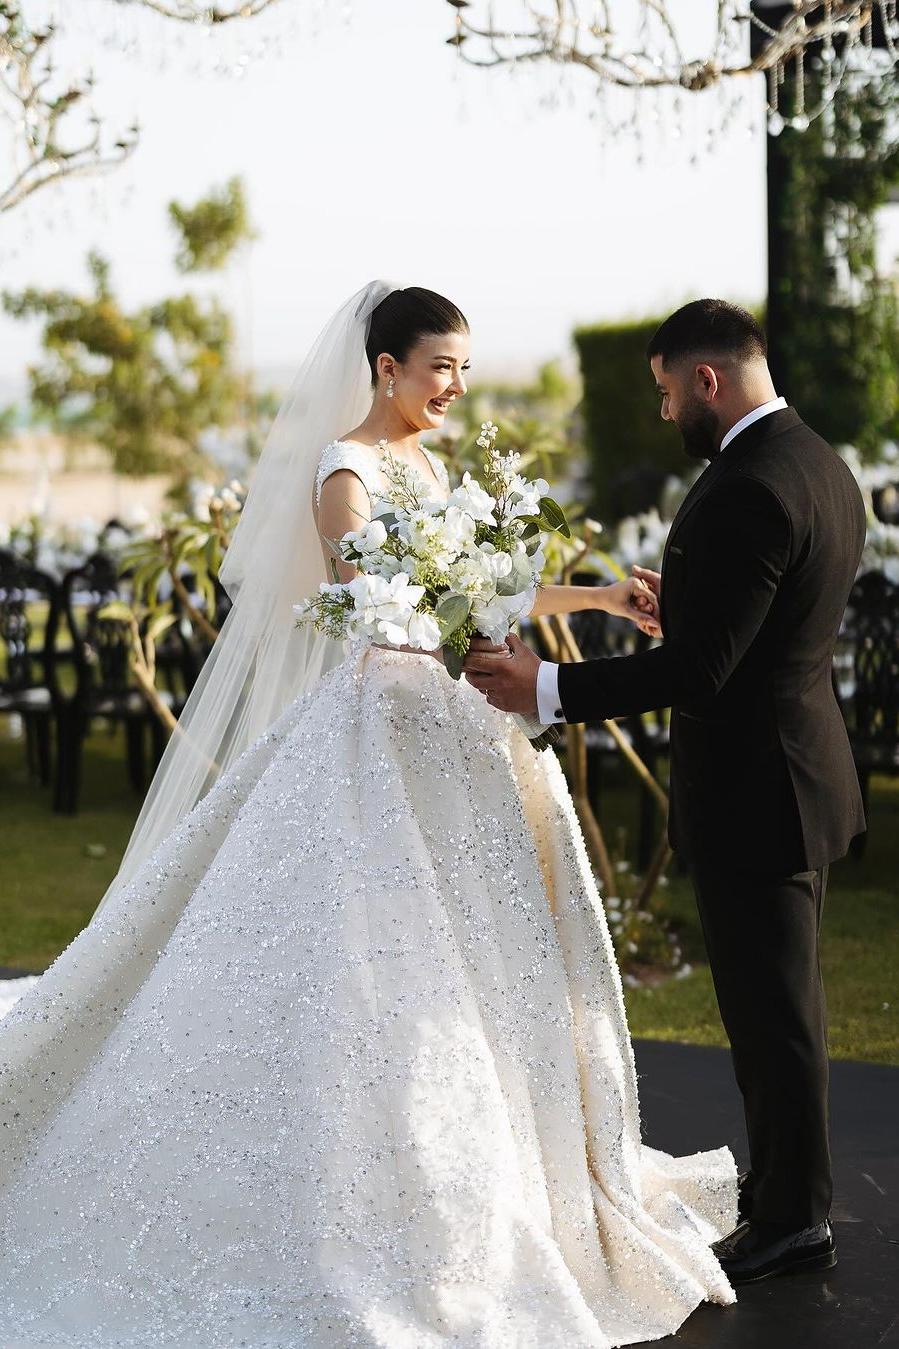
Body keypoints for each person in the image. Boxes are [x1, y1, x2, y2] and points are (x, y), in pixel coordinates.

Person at [0, 283, 737, 1346]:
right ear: (383, 367)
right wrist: (453, 600)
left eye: (462, 369)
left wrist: (593, 601)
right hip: (378, 727)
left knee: (481, 959)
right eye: (438, 366)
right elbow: (374, 588)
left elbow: (479, 592)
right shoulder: (344, 469)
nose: (452, 387)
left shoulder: (435, 467)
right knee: (374, 958)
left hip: (456, 731)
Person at [464, 297, 867, 1286]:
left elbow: (701, 675)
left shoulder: (743, 486)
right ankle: (787, 1202)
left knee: (772, 1019)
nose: (659, 414)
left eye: (661, 392)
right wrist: (680, 604)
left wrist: (546, 685)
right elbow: (751, 632)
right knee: (781, 1013)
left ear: (704, 381)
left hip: (759, 791)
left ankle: (791, 1217)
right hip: (791, 774)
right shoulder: (815, 461)